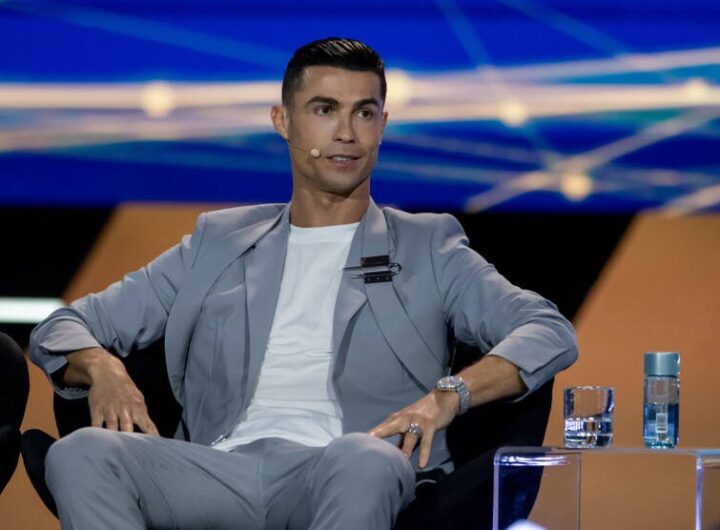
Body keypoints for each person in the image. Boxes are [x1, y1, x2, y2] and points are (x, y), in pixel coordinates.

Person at [30, 37, 578, 530]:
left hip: (348, 464)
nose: (347, 133)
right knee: (79, 454)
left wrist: (449, 396)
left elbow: (547, 330)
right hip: (217, 468)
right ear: (283, 121)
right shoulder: (218, 241)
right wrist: (102, 368)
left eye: (365, 112)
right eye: (324, 109)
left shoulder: (428, 245)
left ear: (382, 126)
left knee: (364, 459)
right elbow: (60, 327)